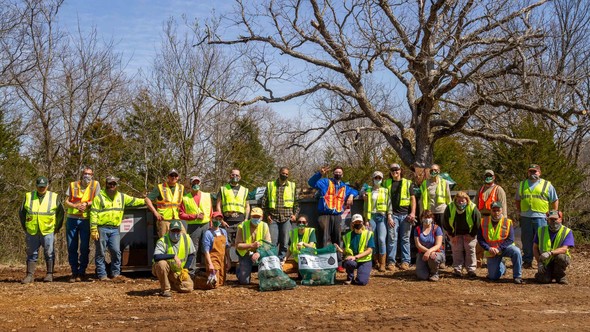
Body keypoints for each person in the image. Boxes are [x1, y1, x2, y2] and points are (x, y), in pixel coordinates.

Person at [90, 176, 146, 281]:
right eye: (110, 184)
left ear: (116, 185)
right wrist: (93, 229)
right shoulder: (99, 197)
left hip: (115, 229)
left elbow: (135, 201)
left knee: (116, 251)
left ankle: (115, 273)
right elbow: (93, 213)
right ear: (106, 184)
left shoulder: (121, 197)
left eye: (114, 184)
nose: (112, 186)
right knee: (101, 252)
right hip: (101, 228)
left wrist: (146, 201)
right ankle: (102, 275)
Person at [308, 166, 358, 272]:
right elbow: (311, 183)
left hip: (337, 216)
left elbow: (355, 191)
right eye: (336, 172)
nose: (338, 174)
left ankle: (338, 264)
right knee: (323, 239)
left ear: (342, 174)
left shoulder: (345, 187)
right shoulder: (325, 182)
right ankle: (323, 263)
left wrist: (351, 196)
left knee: (337, 239)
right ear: (333, 174)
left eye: (340, 172)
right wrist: (319, 174)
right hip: (324, 214)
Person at [19, 176, 64, 283]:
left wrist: (56, 227)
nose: (42, 188)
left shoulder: (54, 197)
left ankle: (49, 274)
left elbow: (60, 214)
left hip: (47, 230)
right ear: (36, 186)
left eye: (44, 186)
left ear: (47, 186)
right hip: (32, 230)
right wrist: (25, 226)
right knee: (31, 253)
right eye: (40, 186)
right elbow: (22, 213)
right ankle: (30, 275)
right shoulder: (29, 196)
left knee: (49, 252)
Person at [515, 164, 558, 269]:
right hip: (525, 217)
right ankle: (527, 261)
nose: (533, 173)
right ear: (528, 172)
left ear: (540, 172)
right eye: (531, 171)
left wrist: (554, 213)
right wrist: (520, 211)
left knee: (542, 240)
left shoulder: (547, 185)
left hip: (541, 216)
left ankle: (542, 261)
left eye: (535, 171)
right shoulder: (522, 184)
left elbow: (554, 200)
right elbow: (517, 199)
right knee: (526, 240)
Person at [63, 167, 100, 282]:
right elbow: (66, 201)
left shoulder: (95, 185)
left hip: (86, 219)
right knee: (71, 246)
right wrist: (75, 205)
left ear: (92, 175)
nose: (87, 176)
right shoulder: (73, 185)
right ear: (81, 174)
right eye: (85, 173)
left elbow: (98, 200)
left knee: (84, 247)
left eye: (89, 174)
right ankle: (74, 272)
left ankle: (82, 271)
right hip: (72, 219)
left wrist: (87, 204)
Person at [477, 202, 523, 284]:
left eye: (498, 210)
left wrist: (499, 248)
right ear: (490, 211)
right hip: (491, 250)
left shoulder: (508, 222)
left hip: (505, 248)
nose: (496, 212)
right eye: (494, 210)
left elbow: (510, 239)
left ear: (502, 210)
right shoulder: (483, 221)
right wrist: (488, 248)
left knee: (516, 251)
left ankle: (517, 276)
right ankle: (502, 267)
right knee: (493, 277)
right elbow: (480, 239)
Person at [383, 163, 417, 271]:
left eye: (396, 169)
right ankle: (391, 262)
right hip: (392, 215)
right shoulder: (386, 183)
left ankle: (405, 262)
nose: (394, 172)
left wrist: (412, 213)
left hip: (406, 216)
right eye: (392, 170)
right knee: (392, 239)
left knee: (405, 239)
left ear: (400, 170)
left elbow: (413, 199)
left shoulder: (408, 183)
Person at [262, 167, 298, 260]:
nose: (285, 175)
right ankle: (272, 260)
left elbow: (297, 202)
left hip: (287, 217)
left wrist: (295, 215)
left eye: (286, 174)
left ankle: (281, 259)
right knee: (272, 241)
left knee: (285, 241)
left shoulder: (292, 186)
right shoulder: (270, 185)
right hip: (273, 217)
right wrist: (267, 215)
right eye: (283, 173)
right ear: (279, 173)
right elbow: (264, 202)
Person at [152, 220, 195, 297]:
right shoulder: (163, 240)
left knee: (189, 287)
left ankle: (172, 284)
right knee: (161, 264)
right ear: (169, 231)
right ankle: (165, 289)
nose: (175, 233)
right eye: (173, 231)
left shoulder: (187, 238)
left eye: (177, 231)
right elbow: (156, 256)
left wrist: (186, 269)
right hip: (165, 269)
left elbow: (191, 254)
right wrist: (173, 256)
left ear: (181, 231)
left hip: (178, 271)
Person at [443, 191, 481, 278]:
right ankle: (457, 269)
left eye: (462, 201)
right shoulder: (450, 207)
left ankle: (471, 269)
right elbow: (445, 222)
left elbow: (478, 223)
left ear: (467, 200)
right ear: (455, 200)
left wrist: (471, 235)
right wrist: (451, 235)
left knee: (470, 248)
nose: (460, 203)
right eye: (458, 201)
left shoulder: (473, 208)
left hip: (470, 232)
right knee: (456, 249)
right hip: (455, 233)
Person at [475, 169, 507, 268]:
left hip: (495, 218)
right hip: (482, 218)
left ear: (494, 177)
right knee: (480, 241)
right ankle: (478, 263)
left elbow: (503, 206)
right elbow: (475, 206)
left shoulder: (499, 189)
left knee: (496, 241)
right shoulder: (480, 189)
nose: (488, 177)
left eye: (490, 176)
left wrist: (503, 221)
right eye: (486, 176)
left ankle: (499, 262)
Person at [179, 175, 212, 271]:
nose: (196, 184)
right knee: (193, 249)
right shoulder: (185, 198)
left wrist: (211, 224)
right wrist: (194, 216)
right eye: (194, 183)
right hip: (193, 226)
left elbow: (210, 211)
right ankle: (191, 271)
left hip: (206, 225)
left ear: (200, 183)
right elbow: (181, 214)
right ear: (190, 184)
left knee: (207, 247)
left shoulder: (207, 195)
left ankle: (209, 269)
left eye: (197, 182)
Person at [362, 171, 393, 272]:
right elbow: (366, 206)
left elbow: (389, 204)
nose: (378, 179)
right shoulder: (368, 191)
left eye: (380, 178)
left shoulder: (385, 190)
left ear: (382, 179)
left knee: (381, 239)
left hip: (382, 217)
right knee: (373, 240)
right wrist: (366, 219)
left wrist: (389, 216)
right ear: (373, 179)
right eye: (376, 178)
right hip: (372, 217)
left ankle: (383, 263)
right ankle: (376, 262)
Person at [533, 210, 574, 284]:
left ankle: (560, 276)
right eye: (551, 219)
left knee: (561, 257)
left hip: (558, 259)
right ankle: (547, 274)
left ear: (560, 219)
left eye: (556, 219)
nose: (553, 221)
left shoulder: (567, 231)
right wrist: (539, 262)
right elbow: (535, 247)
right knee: (544, 280)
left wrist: (550, 253)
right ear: (548, 220)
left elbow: (564, 249)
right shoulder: (541, 230)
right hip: (545, 261)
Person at [235, 207, 271, 284]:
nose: (256, 218)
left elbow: (268, 244)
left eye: (258, 217)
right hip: (246, 253)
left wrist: (259, 253)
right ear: (250, 217)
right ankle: (239, 268)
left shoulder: (265, 226)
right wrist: (251, 245)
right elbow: (238, 245)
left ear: (262, 217)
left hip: (259, 253)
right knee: (244, 282)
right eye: (254, 216)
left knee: (266, 279)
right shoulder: (242, 226)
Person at [335, 214, 374, 285]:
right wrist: (340, 250)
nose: (358, 224)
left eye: (359, 222)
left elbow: (369, 250)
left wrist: (356, 257)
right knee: (349, 262)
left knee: (362, 282)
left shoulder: (368, 234)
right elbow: (346, 250)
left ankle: (359, 277)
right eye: (356, 222)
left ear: (362, 223)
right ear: (352, 224)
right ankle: (350, 278)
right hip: (353, 260)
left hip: (365, 260)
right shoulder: (347, 236)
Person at [145, 169, 185, 238]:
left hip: (177, 220)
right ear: (168, 177)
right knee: (165, 242)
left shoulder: (181, 188)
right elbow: (147, 199)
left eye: (175, 175)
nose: (174, 177)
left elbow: (188, 201)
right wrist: (155, 212)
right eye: (171, 175)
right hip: (164, 220)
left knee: (184, 239)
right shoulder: (160, 187)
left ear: (178, 177)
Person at [201, 212, 231, 289]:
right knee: (214, 284)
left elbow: (226, 247)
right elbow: (206, 250)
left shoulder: (223, 231)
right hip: (213, 259)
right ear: (211, 219)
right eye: (215, 219)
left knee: (222, 282)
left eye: (219, 219)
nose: (217, 221)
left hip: (222, 259)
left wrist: (228, 260)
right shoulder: (208, 233)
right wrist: (210, 264)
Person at [414, 210, 445, 281]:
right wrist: (427, 252)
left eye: (429, 217)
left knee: (433, 257)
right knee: (422, 276)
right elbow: (418, 245)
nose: (427, 219)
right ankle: (427, 267)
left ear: (432, 219)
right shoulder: (417, 229)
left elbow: (438, 245)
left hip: (437, 252)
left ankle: (435, 273)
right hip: (422, 253)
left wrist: (430, 252)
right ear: (421, 219)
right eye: (425, 217)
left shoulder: (437, 228)